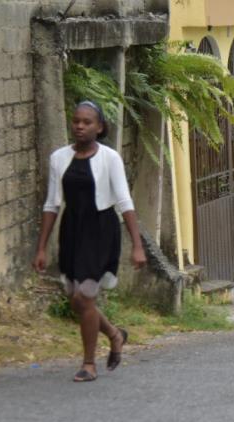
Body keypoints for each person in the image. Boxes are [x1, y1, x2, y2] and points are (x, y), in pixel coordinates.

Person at [33, 101, 147, 382]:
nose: (80, 126)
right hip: (72, 230)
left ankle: (89, 364)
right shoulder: (59, 158)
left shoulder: (110, 158)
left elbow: (124, 201)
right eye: (76, 121)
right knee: (76, 300)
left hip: (101, 230)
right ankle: (114, 334)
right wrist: (41, 248)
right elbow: (51, 204)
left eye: (87, 122)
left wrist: (137, 244)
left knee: (85, 296)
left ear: (99, 127)